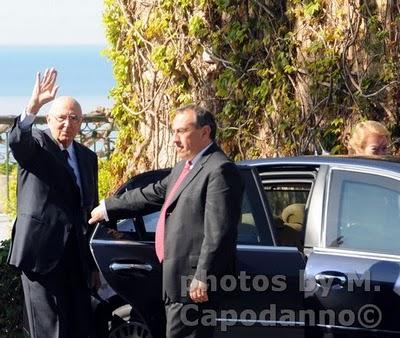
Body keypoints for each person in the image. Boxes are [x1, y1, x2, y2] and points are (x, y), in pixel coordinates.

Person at [89, 104, 244, 337]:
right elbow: (151, 194)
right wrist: (108, 208)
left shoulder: (219, 170)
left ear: (205, 132)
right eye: (173, 132)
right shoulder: (185, 167)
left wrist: (203, 276)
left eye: (182, 131)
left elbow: (219, 232)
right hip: (175, 281)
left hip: (193, 285)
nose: (174, 139)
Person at [7, 68, 99, 337]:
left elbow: (88, 208)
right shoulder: (36, 143)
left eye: (74, 118)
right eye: (61, 118)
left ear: (81, 122)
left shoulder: (87, 157)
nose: (66, 124)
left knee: (80, 326)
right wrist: (32, 106)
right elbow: (17, 141)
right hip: (41, 253)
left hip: (76, 257)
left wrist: (93, 264)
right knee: (48, 330)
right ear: (49, 118)